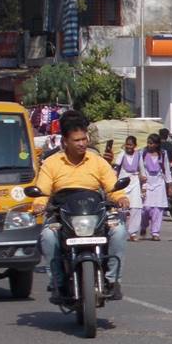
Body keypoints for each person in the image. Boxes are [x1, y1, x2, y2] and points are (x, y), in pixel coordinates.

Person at [32, 113, 129, 302]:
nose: (82, 144)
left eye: (84, 139)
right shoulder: (51, 163)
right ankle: (57, 283)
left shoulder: (97, 161)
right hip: (63, 215)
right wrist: (38, 204)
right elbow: (42, 191)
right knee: (48, 236)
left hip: (94, 212)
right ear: (65, 141)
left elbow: (112, 185)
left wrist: (120, 197)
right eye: (77, 140)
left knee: (119, 231)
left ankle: (112, 280)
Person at [140, 133, 172, 241]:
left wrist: (170, 186)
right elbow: (138, 168)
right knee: (146, 208)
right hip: (146, 183)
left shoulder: (162, 154)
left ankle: (155, 232)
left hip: (159, 183)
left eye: (152, 143)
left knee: (158, 209)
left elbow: (167, 171)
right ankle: (143, 225)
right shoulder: (142, 153)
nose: (149, 145)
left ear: (157, 144)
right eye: (148, 143)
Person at [112, 136, 145, 241]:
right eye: (127, 144)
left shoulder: (138, 155)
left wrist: (144, 185)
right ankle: (120, 230)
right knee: (122, 208)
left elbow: (142, 169)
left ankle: (133, 233)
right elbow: (116, 168)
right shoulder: (122, 154)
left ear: (134, 146)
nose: (128, 147)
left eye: (131, 145)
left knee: (136, 207)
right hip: (123, 183)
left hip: (134, 181)